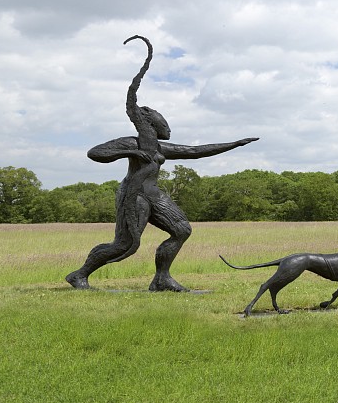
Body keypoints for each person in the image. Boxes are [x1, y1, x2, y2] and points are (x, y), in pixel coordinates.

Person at [66, 35, 258, 291]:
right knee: (124, 245)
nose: (166, 127)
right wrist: (133, 154)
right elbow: (95, 153)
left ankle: (161, 279)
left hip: (154, 196)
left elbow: (196, 151)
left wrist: (234, 144)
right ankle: (79, 275)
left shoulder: (159, 147)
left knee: (181, 230)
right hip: (134, 195)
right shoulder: (134, 142)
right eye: (161, 123)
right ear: (152, 124)